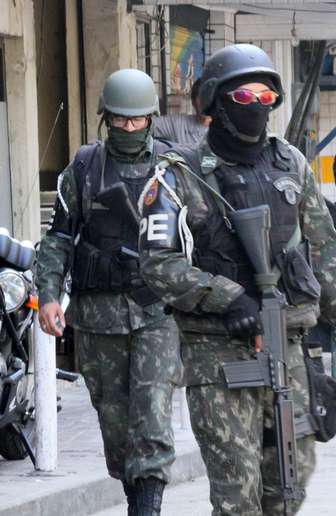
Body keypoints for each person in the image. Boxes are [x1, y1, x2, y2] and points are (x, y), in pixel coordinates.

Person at [137, 43, 336, 515]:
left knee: (288, 484)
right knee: (237, 494)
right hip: (218, 355)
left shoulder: (289, 162)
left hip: (287, 346)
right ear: (215, 103)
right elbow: (157, 263)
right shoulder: (177, 175)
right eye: (244, 97)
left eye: (266, 96)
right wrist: (228, 298)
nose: (257, 106)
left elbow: (326, 248)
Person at [36, 69, 181, 515]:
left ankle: (148, 507)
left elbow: (200, 239)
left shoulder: (175, 169)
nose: (129, 128)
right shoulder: (83, 168)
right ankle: (135, 497)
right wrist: (47, 295)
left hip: (156, 313)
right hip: (99, 318)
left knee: (153, 413)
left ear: (151, 120)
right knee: (115, 423)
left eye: (137, 121)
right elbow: (59, 238)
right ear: (107, 119)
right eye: (120, 120)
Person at [153, 77, 211, 145]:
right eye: (201, 97)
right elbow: (146, 124)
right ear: (193, 102)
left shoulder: (224, 130)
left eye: (209, 97)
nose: (206, 102)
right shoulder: (178, 125)